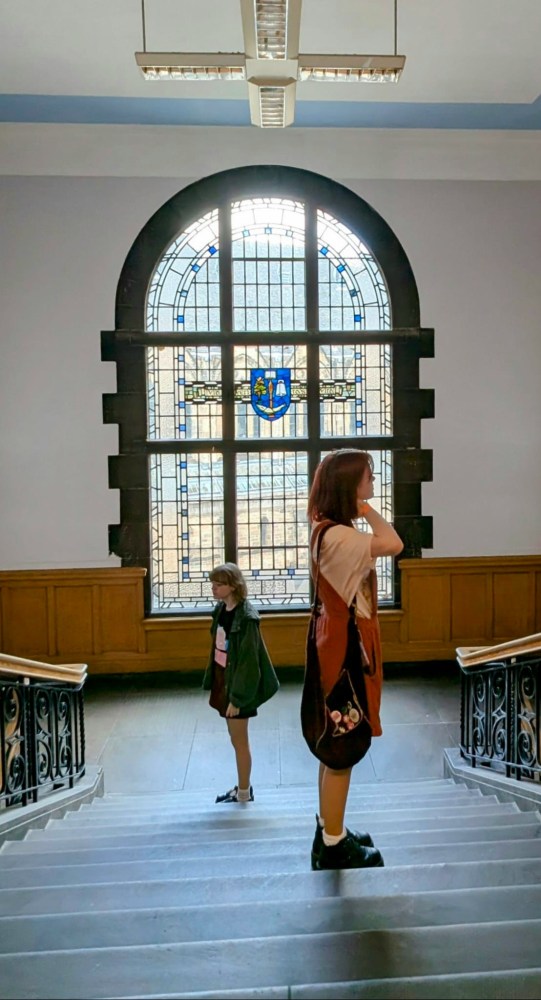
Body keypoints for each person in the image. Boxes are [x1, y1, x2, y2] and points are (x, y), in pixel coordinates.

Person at [305, 449, 404, 870]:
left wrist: (355, 505)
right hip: (344, 650)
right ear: (350, 487)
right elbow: (394, 543)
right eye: (368, 477)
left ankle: (331, 826)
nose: (374, 482)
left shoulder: (325, 528)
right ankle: (333, 845)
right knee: (343, 746)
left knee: (333, 744)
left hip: (330, 640)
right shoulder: (343, 537)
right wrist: (366, 509)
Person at [202, 562, 279, 803]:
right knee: (235, 738)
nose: (213, 588)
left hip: (237, 686)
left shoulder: (246, 619)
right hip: (224, 679)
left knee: (240, 740)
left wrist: (237, 698)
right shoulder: (221, 609)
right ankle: (242, 788)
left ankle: (244, 792)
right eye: (212, 583)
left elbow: (248, 664)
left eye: (219, 584)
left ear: (233, 586)